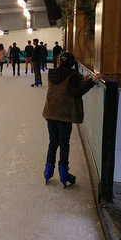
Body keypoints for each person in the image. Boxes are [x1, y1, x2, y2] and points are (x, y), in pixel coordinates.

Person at [42, 52, 104, 187]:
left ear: (59, 62)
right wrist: (91, 82)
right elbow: (76, 91)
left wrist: (82, 80)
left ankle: (48, 170)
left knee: (53, 142)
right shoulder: (72, 76)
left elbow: (66, 86)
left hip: (51, 113)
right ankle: (64, 173)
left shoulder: (52, 74)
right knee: (64, 144)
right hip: (64, 115)